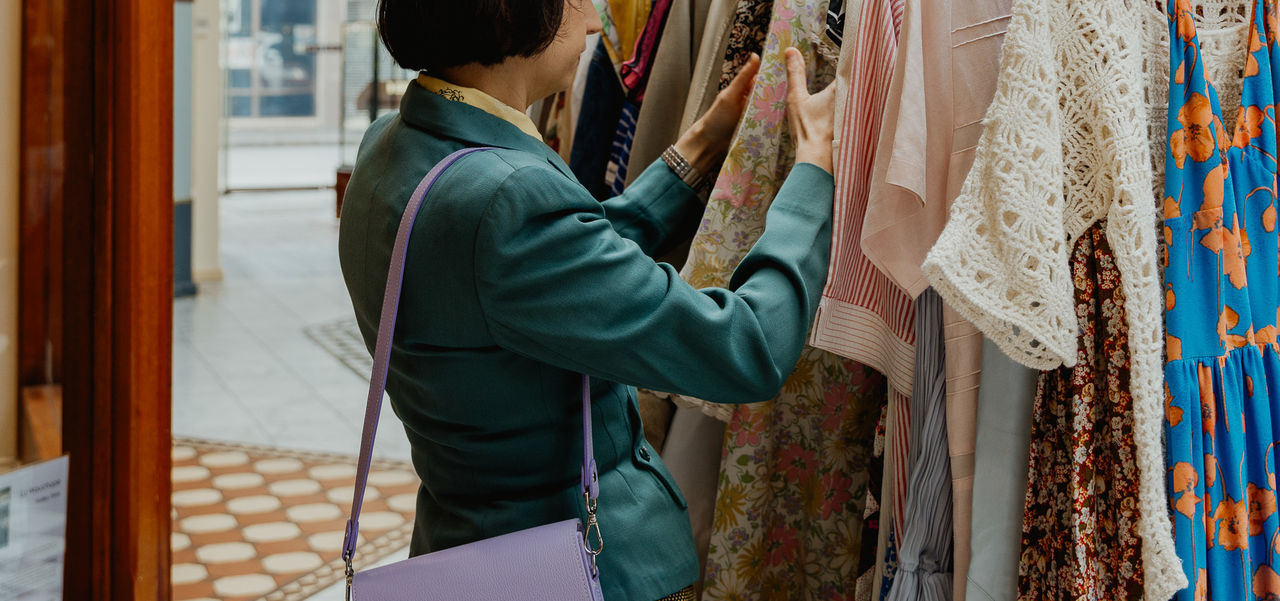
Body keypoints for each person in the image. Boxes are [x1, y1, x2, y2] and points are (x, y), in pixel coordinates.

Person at [337, 1, 836, 600]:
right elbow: (745, 348)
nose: (597, 24)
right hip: (582, 567)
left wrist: (700, 147)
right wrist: (812, 172)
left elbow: (554, 281)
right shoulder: (507, 201)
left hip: (463, 555)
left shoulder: (390, 148)